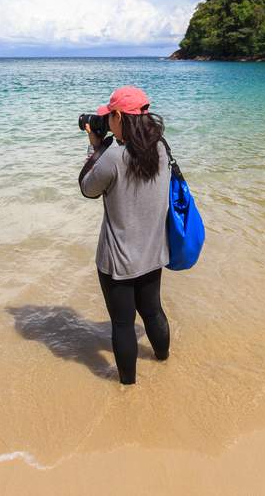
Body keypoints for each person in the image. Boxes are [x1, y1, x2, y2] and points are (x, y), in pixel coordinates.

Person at [79, 86, 171, 385]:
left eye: (110, 117)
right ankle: (164, 361)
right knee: (153, 312)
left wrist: (95, 147)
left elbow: (88, 188)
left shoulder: (113, 157)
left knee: (122, 324)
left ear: (119, 116)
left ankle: (127, 388)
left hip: (118, 261)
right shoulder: (161, 148)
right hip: (153, 252)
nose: (107, 122)